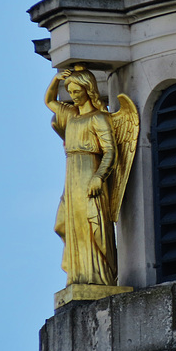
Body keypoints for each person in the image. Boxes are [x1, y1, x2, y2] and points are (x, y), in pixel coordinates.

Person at [45, 66, 118, 286]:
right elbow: (49, 101)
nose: (74, 96)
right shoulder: (71, 116)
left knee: (91, 224)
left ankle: (97, 276)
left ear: (88, 90)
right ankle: (78, 275)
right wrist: (56, 80)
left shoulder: (99, 118)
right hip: (72, 175)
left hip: (89, 172)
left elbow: (111, 151)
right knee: (65, 224)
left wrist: (99, 176)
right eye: (71, 92)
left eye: (77, 91)